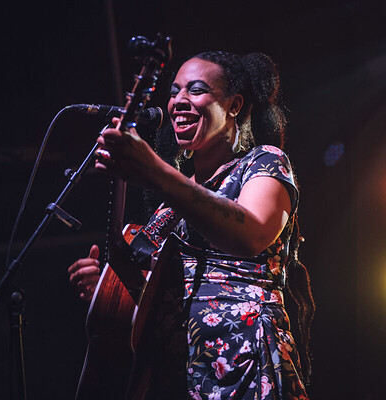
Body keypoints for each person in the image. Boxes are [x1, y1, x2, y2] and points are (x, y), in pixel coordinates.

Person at [68, 51, 315, 399]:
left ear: (233, 107)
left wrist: (155, 171)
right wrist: (110, 291)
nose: (178, 101)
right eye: (173, 92)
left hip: (241, 360)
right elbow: (162, 294)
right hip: (177, 373)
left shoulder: (263, 163)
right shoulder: (170, 208)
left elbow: (251, 233)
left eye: (196, 90)